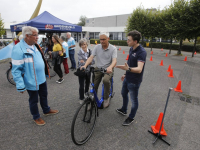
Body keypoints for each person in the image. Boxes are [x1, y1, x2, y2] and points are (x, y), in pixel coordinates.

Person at [11, 26, 59, 126]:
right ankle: (36, 117)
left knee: (44, 95)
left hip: (41, 78)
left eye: (37, 35)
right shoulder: (18, 49)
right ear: (27, 36)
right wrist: (20, 85)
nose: (37, 37)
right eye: (35, 35)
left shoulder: (35, 45)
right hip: (31, 79)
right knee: (33, 100)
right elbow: (16, 70)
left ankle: (46, 110)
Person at [115, 30, 147, 126]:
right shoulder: (131, 48)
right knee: (123, 93)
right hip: (127, 77)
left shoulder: (142, 52)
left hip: (134, 81)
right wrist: (125, 73)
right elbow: (129, 64)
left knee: (134, 100)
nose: (127, 41)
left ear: (135, 41)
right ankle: (124, 109)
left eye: (129, 40)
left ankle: (131, 117)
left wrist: (128, 69)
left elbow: (139, 69)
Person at [81, 32, 117, 108]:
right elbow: (91, 57)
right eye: (100, 39)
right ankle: (92, 100)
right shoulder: (97, 47)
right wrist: (85, 65)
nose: (101, 41)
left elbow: (114, 60)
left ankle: (106, 98)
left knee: (106, 81)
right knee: (94, 84)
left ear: (108, 39)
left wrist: (110, 67)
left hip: (108, 68)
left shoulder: (113, 48)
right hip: (98, 68)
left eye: (103, 39)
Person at [77, 38, 95, 104]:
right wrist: (88, 61)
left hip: (88, 71)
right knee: (81, 85)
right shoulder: (79, 52)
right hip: (81, 70)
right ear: (80, 45)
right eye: (82, 45)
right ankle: (81, 98)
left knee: (87, 84)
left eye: (84, 44)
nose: (83, 46)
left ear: (87, 44)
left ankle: (86, 95)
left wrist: (84, 61)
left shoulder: (90, 51)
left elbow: (93, 62)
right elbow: (80, 62)